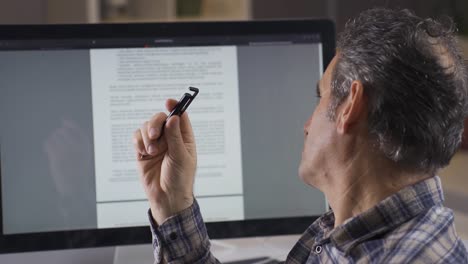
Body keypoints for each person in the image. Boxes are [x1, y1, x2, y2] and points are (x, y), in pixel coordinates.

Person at [133, 8, 468, 263]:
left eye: (320, 98)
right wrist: (172, 203)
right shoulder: (364, 236)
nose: (307, 124)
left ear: (350, 105)